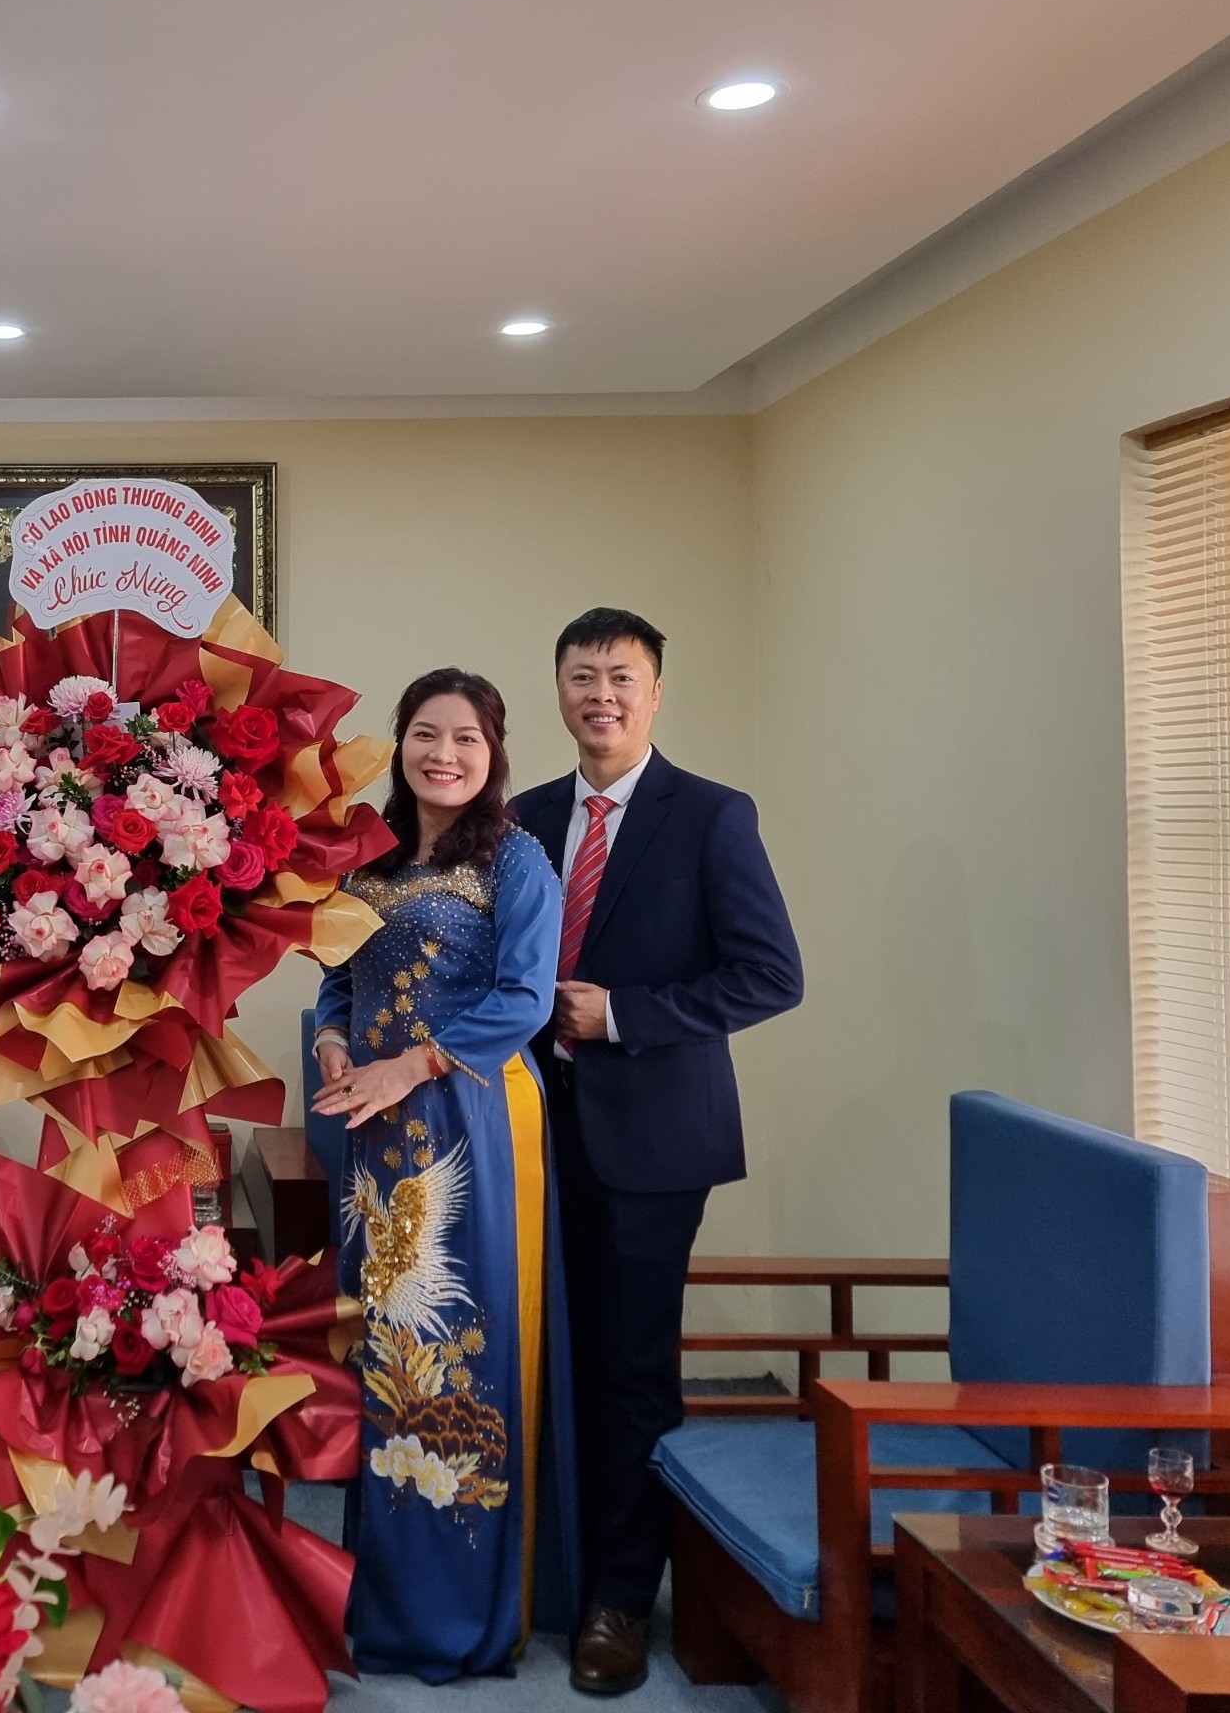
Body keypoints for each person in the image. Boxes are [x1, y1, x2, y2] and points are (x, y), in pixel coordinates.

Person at [513, 609, 802, 1695]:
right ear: (558, 691)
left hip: (655, 1141)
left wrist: (623, 1015)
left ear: (655, 692)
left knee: (632, 1368)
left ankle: (621, 1600)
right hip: (533, 1133)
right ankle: (550, 1571)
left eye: (621, 677)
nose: (602, 695)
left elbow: (770, 975)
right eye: (582, 676)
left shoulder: (713, 815)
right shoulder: (527, 817)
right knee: (549, 1355)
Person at [309, 668, 578, 1681]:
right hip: (374, 1129)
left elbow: (525, 998)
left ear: (493, 752)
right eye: (427, 734)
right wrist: (335, 1045)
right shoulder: (366, 855)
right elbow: (339, 979)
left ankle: (466, 1607)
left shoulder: (515, 858)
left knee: (466, 1345)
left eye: (466, 738)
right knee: (383, 1349)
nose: (445, 755)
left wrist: (409, 1066)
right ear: (401, 743)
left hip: (473, 1115)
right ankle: (385, 1597)